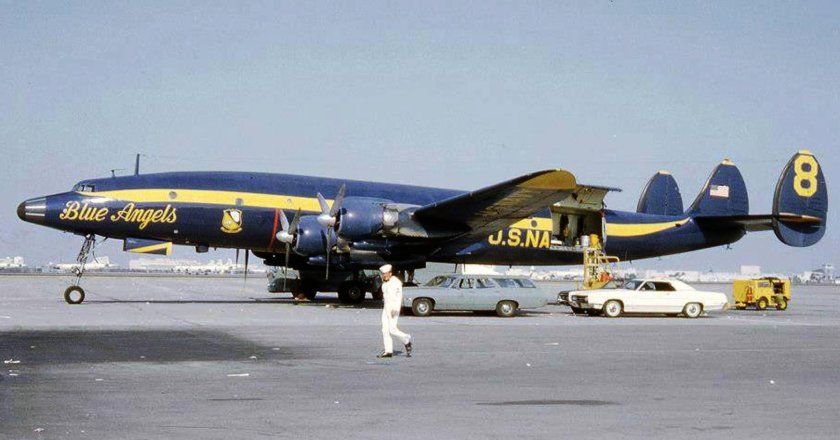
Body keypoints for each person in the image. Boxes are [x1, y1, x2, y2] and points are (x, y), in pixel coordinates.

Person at [377, 264, 412, 358]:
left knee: (392, 329)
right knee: (385, 330)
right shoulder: (384, 282)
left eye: (385, 274)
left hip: (393, 308)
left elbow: (398, 298)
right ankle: (388, 351)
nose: (384, 276)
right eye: (383, 274)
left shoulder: (396, 282)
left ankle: (406, 339)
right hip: (386, 308)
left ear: (390, 273)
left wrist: (396, 309)